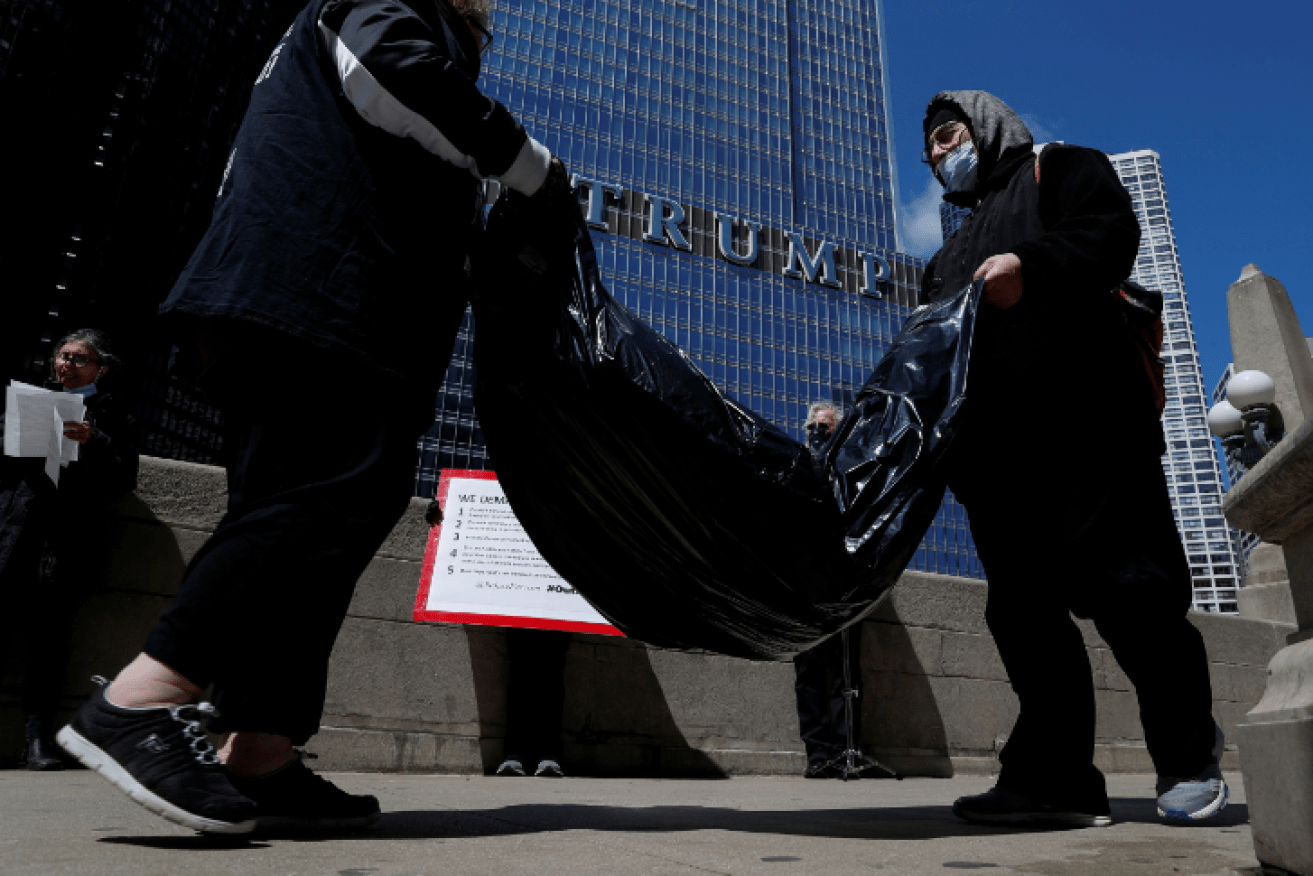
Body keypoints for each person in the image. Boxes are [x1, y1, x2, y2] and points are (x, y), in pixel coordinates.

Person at [56, 0, 572, 835]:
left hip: (320, 305)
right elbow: (392, 72)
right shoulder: (381, 5)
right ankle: (143, 696)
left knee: (324, 511)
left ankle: (259, 750)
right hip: (318, 297)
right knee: (326, 498)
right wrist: (530, 167)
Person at [918, 91, 1225, 827]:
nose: (937, 154)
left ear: (987, 129)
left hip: (1090, 429)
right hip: (996, 463)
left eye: (948, 136)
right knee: (1023, 618)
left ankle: (1186, 755)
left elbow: (1107, 234)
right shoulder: (946, 255)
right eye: (928, 148)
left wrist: (1030, 260)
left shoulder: (1057, 170)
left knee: (1131, 593)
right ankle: (1051, 779)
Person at [0, 330, 139, 770]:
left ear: (102, 369)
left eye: (79, 359)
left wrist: (92, 442)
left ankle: (36, 739)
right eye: (62, 356)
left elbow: (122, 480)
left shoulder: (114, 416)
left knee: (47, 641)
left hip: (61, 542)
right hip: (14, 533)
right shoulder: (29, 399)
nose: (66, 365)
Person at [792, 401, 864, 779]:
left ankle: (844, 749)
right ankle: (817, 752)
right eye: (816, 427)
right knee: (809, 673)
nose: (821, 432)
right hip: (806, 585)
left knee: (845, 674)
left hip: (844, 587)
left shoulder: (850, 469)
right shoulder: (797, 464)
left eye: (828, 427)